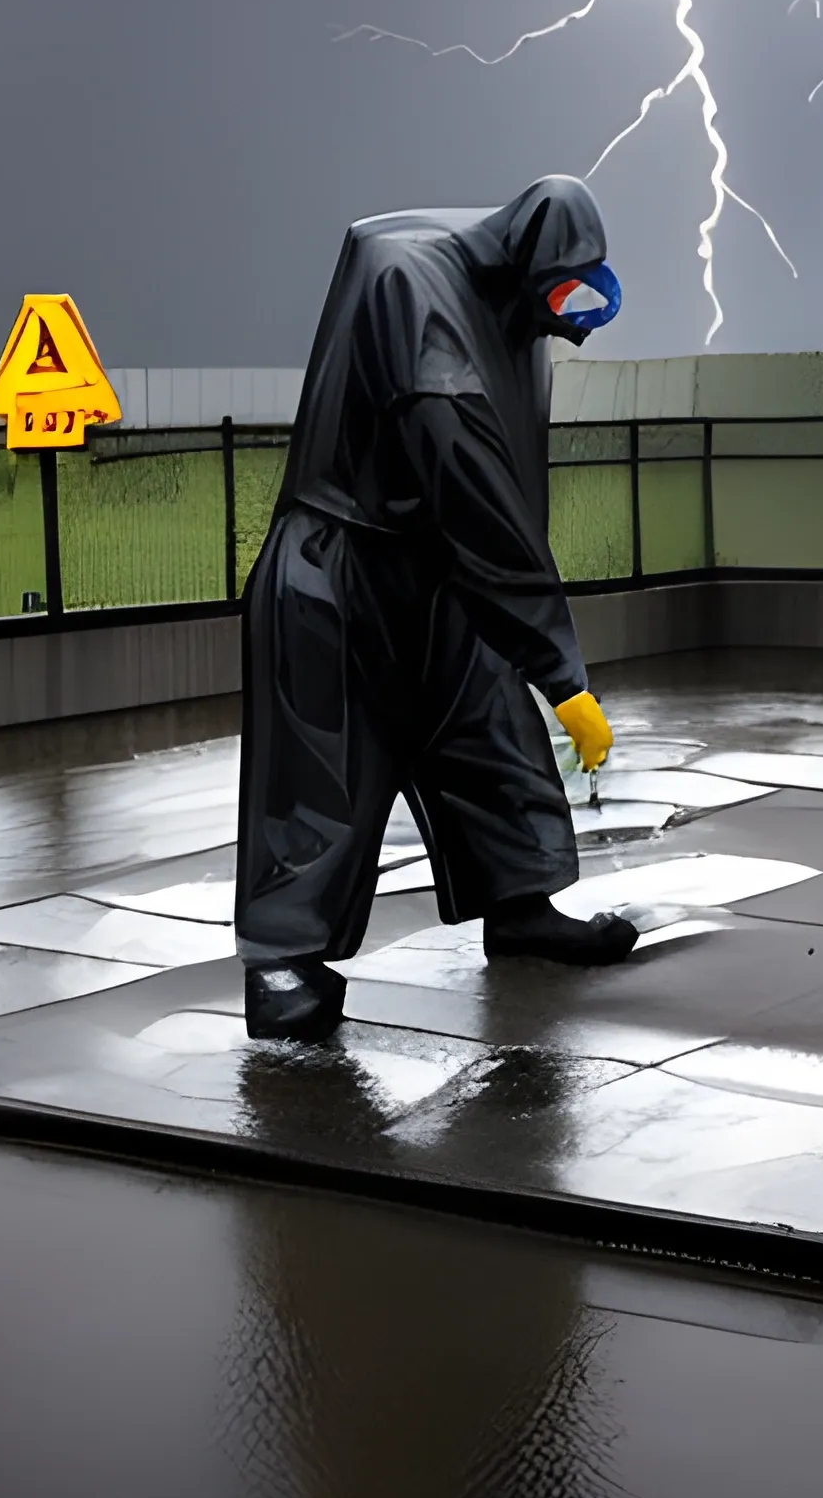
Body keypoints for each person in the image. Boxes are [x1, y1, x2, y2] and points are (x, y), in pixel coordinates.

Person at [235, 176, 631, 1043]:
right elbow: (472, 492)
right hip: (342, 566)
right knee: (318, 776)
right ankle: (282, 963)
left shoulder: (503, 295)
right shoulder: (413, 286)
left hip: (437, 571)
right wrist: (561, 675)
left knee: (489, 738)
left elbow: (489, 505)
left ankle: (520, 903)